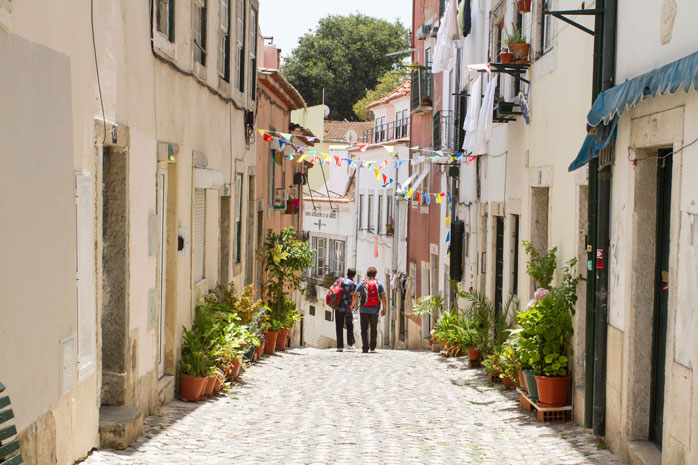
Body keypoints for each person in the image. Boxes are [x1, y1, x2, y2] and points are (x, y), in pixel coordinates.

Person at [352, 267, 387, 353]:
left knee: (364, 329)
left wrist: (354, 306)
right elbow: (383, 296)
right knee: (373, 328)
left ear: (367, 274)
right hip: (375, 310)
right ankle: (372, 347)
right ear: (375, 274)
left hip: (363, 309)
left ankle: (365, 347)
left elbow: (355, 295)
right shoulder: (379, 284)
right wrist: (384, 308)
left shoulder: (362, 283)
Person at [333, 268, 357, 352]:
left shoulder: (340, 280)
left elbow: (332, 288)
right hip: (350, 308)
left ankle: (339, 346)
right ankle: (350, 344)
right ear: (354, 275)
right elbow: (355, 298)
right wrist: (355, 314)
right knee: (350, 326)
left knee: (339, 326)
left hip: (339, 307)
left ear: (347, 273)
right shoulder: (354, 284)